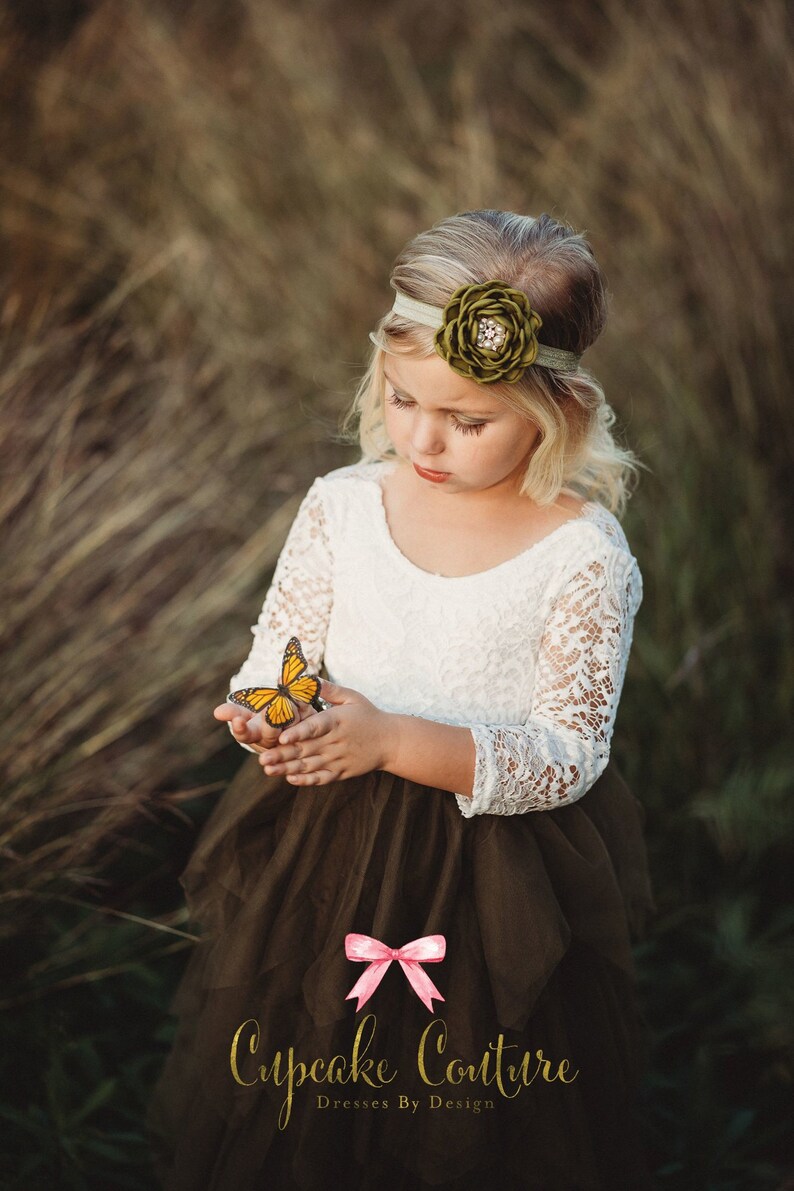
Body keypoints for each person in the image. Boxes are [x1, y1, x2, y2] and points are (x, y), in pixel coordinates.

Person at [147, 209, 655, 1190]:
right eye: (402, 398)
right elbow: (282, 655)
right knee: (309, 1064)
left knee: (465, 1098)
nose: (424, 438)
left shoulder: (581, 554)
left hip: (489, 879)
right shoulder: (344, 505)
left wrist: (391, 741)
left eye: (468, 421)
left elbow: (568, 753)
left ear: (556, 411)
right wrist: (266, 711)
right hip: (326, 849)